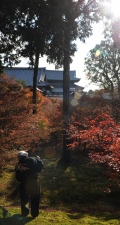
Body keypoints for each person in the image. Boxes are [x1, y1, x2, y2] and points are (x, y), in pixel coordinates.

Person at [15, 150, 44, 218]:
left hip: (24, 183)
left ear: (20, 156)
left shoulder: (18, 164)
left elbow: (18, 177)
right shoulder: (33, 159)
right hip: (34, 182)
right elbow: (40, 167)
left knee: (24, 199)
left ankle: (24, 213)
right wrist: (39, 159)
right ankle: (34, 214)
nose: (18, 158)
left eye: (18, 157)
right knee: (35, 199)